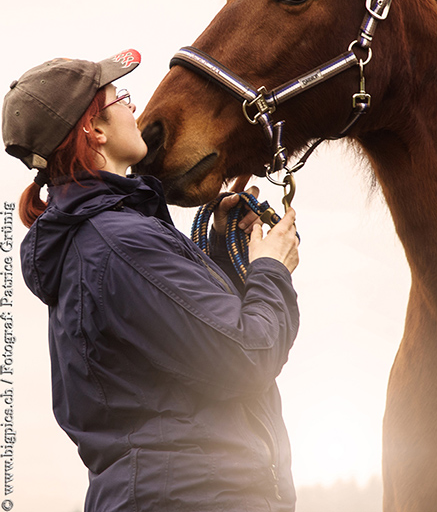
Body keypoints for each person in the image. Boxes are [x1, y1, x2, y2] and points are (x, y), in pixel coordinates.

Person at [2, 49, 300, 512]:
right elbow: (247, 354)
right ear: (94, 130)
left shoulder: (105, 238)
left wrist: (220, 247)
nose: (134, 107)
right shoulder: (121, 244)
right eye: (119, 96)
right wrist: (271, 268)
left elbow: (183, 352)